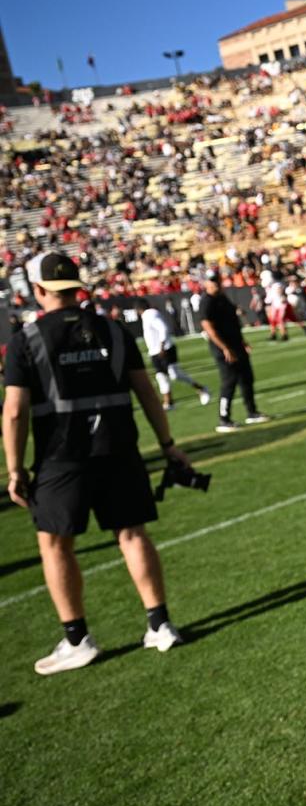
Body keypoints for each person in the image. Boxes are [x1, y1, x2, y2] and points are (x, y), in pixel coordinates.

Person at [3, 252, 193, 675]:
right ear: (76, 286)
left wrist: (16, 469)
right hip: (118, 447)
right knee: (132, 534)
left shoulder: (26, 339)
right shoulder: (114, 329)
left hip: (60, 456)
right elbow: (145, 391)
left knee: (55, 544)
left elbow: (14, 411)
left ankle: (77, 639)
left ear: (38, 291)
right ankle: (159, 624)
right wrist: (167, 444)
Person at [198, 270, 269, 433]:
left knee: (247, 378)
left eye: (216, 280)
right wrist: (224, 348)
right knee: (229, 382)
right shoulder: (207, 302)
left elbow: (233, 322)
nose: (215, 283)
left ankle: (252, 412)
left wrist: (242, 341)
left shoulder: (222, 298)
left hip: (236, 344)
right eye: (212, 281)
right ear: (206, 283)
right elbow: (209, 328)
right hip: (224, 348)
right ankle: (224, 419)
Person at [138, 298, 211, 411]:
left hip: (165, 349)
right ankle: (168, 402)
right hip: (155, 351)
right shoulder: (148, 315)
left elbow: (163, 328)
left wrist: (161, 345)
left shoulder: (150, 314)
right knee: (161, 377)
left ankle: (201, 388)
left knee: (174, 374)